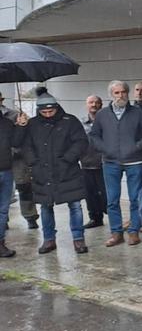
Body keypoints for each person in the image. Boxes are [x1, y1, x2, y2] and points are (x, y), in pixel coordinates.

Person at [89, 80, 142, 247]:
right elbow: (94, 135)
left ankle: (133, 231)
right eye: (117, 93)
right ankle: (116, 233)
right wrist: (105, 149)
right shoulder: (102, 114)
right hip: (110, 162)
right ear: (111, 94)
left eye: (124, 92)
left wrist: (137, 146)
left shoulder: (138, 113)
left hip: (135, 161)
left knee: (135, 198)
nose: (121, 95)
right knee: (112, 199)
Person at [26, 94, 89, 255]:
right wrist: (33, 162)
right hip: (43, 172)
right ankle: (49, 239)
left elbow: (81, 142)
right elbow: (25, 145)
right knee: (46, 206)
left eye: (51, 111)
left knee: (75, 205)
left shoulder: (70, 121)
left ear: (56, 108)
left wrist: (68, 158)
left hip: (67, 171)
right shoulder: (32, 124)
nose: (48, 114)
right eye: (44, 112)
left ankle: (78, 238)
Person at [2, 92, 38, 231]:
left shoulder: (15, 114)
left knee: (24, 188)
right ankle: (3, 219)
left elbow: (23, 138)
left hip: (17, 159)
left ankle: (30, 217)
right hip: (1, 159)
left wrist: (22, 125)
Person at [0, 104, 28, 257]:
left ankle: (0, 243)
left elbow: (16, 142)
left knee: (3, 210)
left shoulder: (6, 122)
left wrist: (21, 126)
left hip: (5, 170)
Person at [80, 95, 106, 229]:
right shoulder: (81, 123)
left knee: (106, 194)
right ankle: (95, 218)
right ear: (86, 105)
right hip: (86, 163)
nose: (94, 105)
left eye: (97, 102)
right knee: (89, 194)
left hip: (104, 163)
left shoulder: (107, 122)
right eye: (91, 102)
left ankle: (113, 218)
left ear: (101, 105)